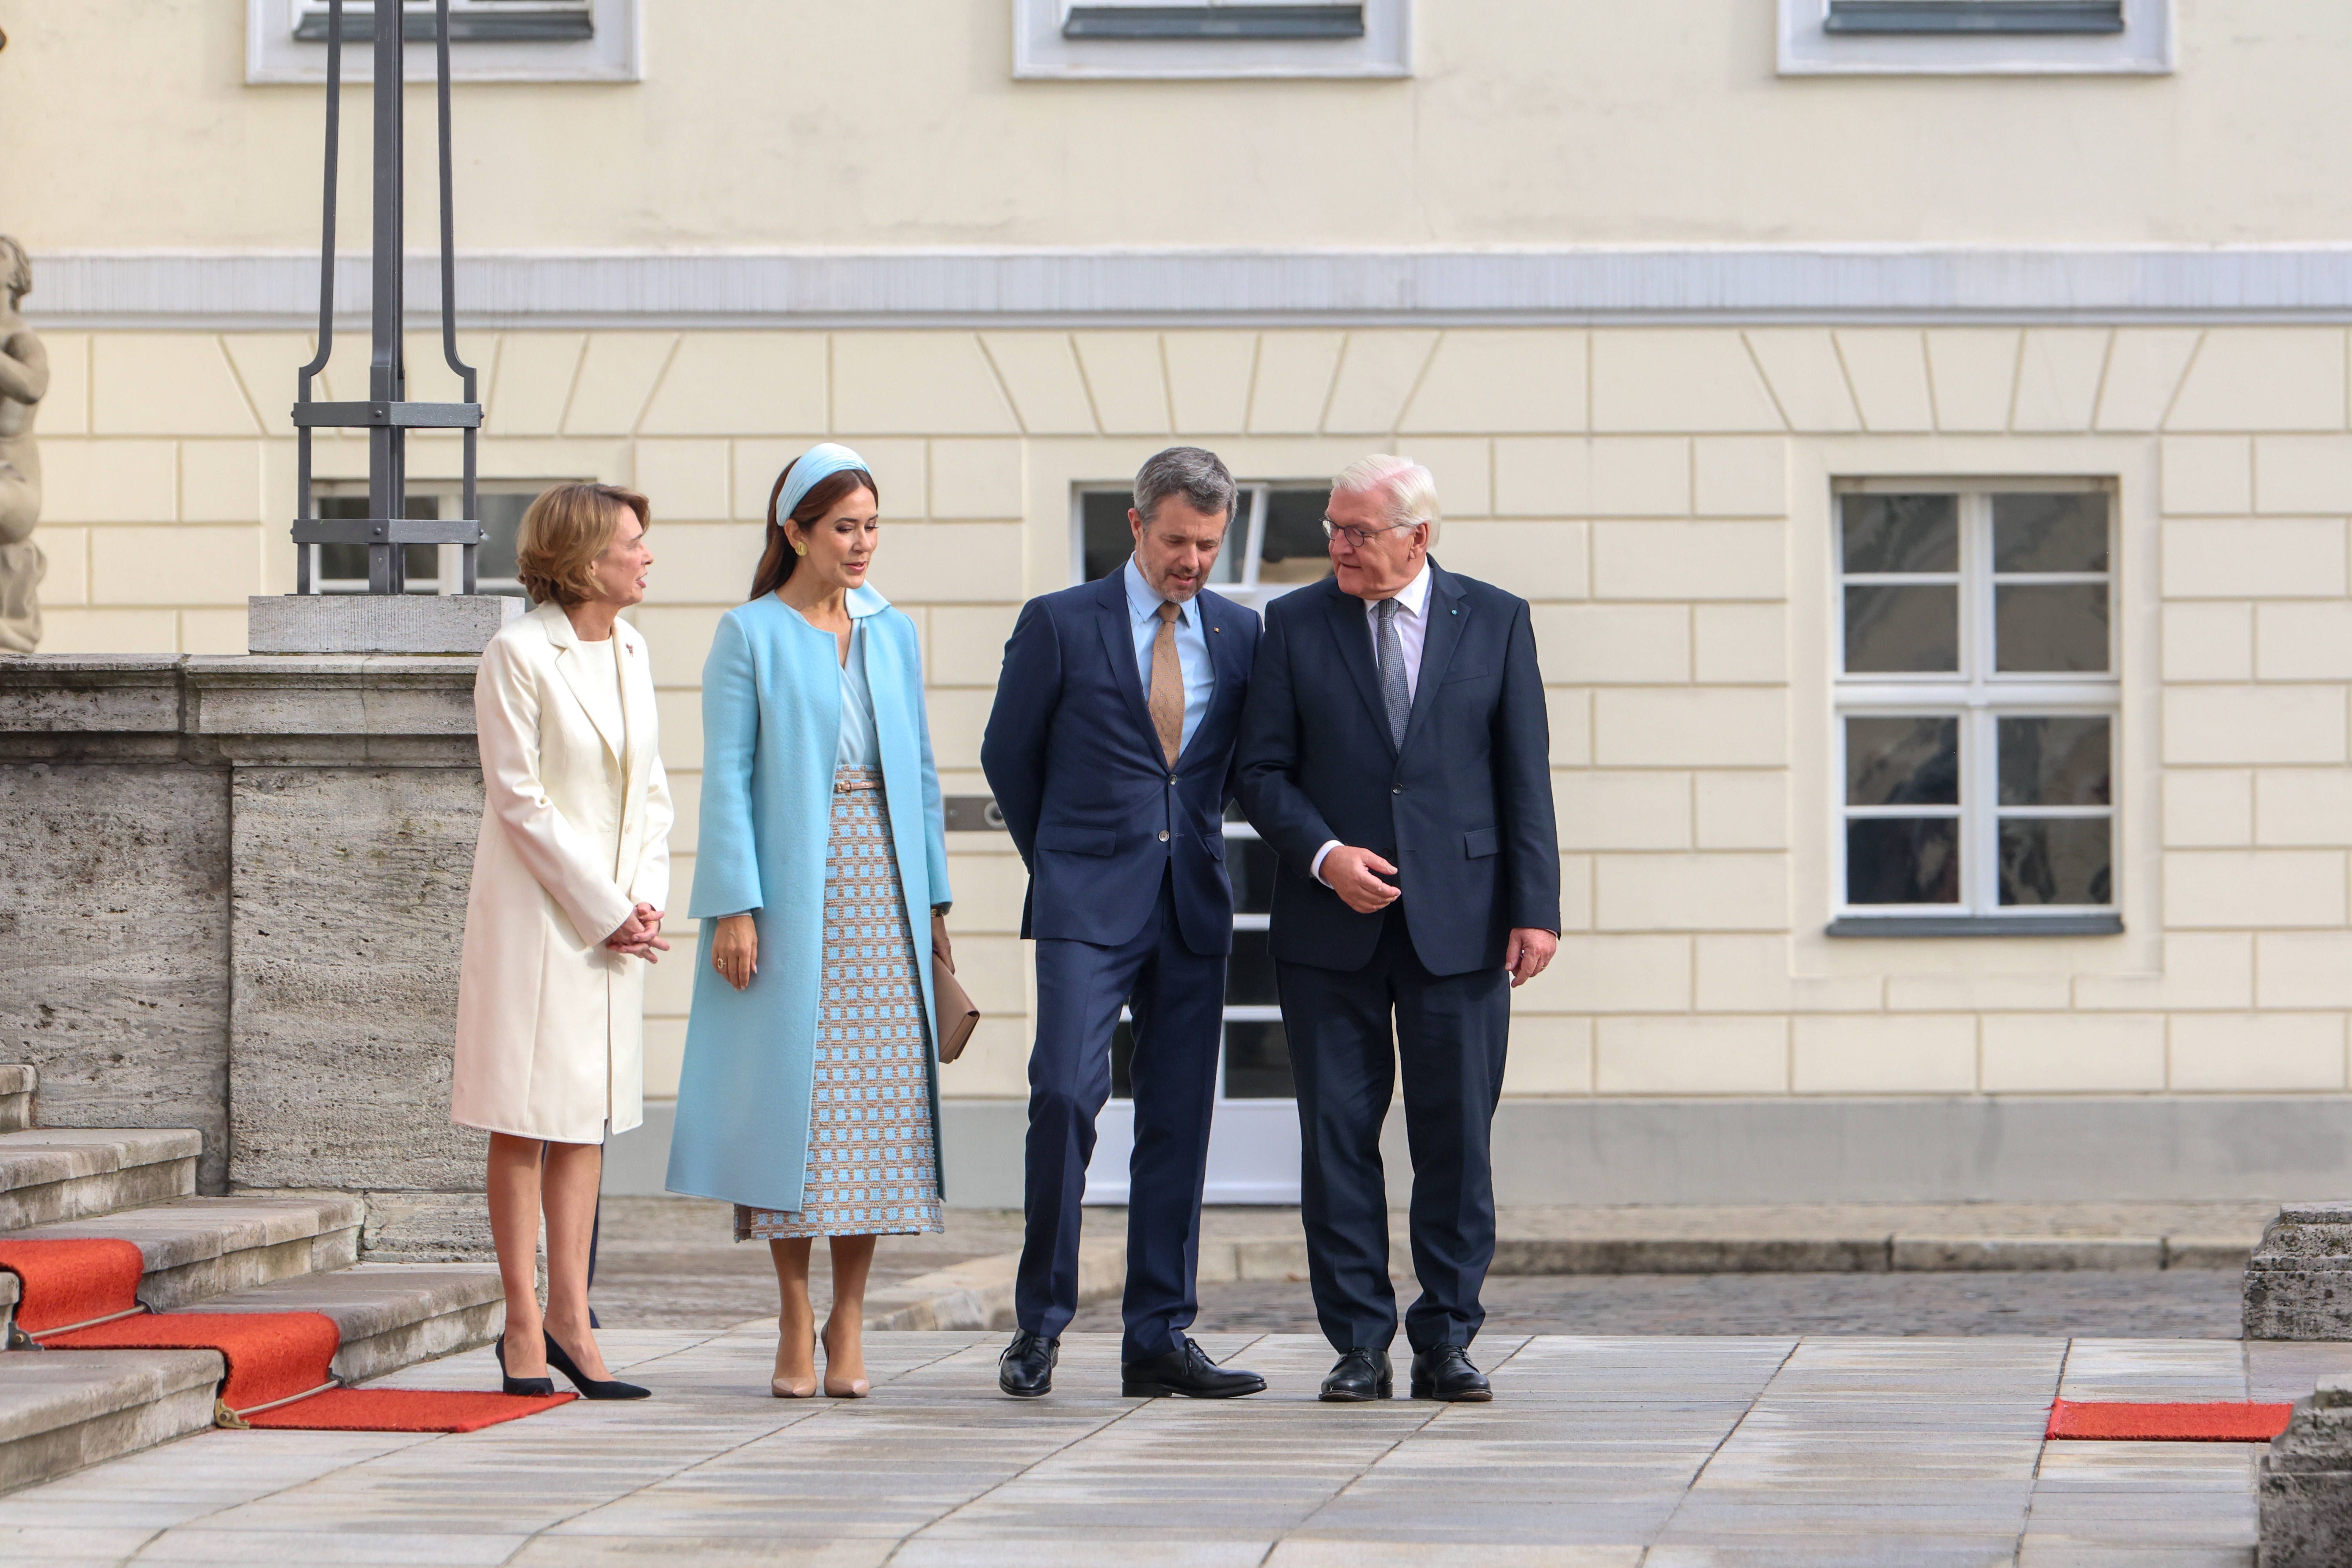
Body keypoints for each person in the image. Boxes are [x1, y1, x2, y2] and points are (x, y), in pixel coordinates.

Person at [1236, 455, 1559, 1404]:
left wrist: (1536, 908)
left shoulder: (1496, 618)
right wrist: (1325, 854)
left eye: (1356, 530)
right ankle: (1358, 1344)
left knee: (1456, 1138)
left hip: (1462, 924)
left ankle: (1447, 1337)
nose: (1336, 543)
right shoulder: (1291, 624)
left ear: (1419, 536)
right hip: (1327, 924)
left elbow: (1524, 773)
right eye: (1332, 526)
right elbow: (1261, 772)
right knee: (1336, 1138)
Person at [665, 443, 953, 1401]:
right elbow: (727, 779)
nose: (863, 543)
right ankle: (793, 1309)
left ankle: (851, 1315)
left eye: (872, 525)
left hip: (885, 886)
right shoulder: (747, 633)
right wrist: (734, 908)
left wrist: (938, 903)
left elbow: (917, 772)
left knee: (872, 1114)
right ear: (796, 531)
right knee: (790, 1108)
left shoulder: (895, 630)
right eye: (845, 527)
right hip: (789, 887)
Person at [980, 446, 1266, 1401]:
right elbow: (1009, 755)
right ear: (1137, 524)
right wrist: (1064, 860)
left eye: (1210, 545)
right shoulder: (1060, 622)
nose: (1194, 560)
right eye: (1180, 540)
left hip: (1191, 903)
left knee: (1179, 1121)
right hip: (1085, 903)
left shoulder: (1239, 631)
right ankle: (1040, 1325)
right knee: (1063, 1094)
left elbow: (1233, 766)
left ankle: (1159, 1335)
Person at [452, 482, 672, 1403]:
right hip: (542, 919)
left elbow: (652, 789)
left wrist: (645, 899)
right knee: (527, 1113)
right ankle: (519, 1320)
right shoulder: (516, 653)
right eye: (633, 543)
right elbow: (520, 799)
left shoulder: (631, 647)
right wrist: (601, 904)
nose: (647, 556)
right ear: (585, 561)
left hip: (615, 922)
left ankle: (573, 1319)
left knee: (588, 1116)